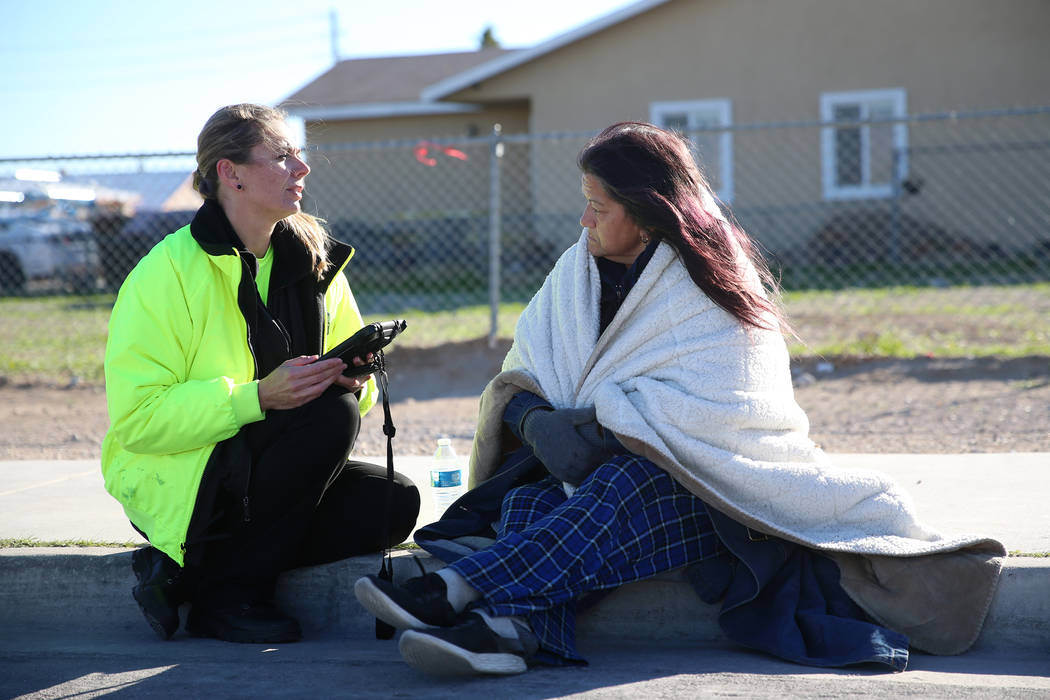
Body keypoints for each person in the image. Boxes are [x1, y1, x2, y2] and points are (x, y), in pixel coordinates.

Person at [353, 122, 1004, 676]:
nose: (584, 220)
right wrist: (534, 418)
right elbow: (526, 368)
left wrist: (609, 430)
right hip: (593, 473)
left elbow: (724, 412)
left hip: (714, 491)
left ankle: (456, 592)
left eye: (599, 206)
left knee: (628, 485)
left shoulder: (713, 280)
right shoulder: (574, 270)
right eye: (584, 203)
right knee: (530, 497)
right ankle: (513, 635)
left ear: (644, 209)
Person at [102, 103, 420, 644]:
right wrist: (256, 398)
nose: (302, 168)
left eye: (300, 154)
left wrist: (354, 380)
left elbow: (347, 406)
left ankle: (186, 575)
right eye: (283, 156)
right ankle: (227, 600)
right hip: (185, 475)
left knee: (393, 500)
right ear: (232, 173)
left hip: (272, 468)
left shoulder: (316, 260)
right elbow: (139, 420)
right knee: (324, 417)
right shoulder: (166, 272)